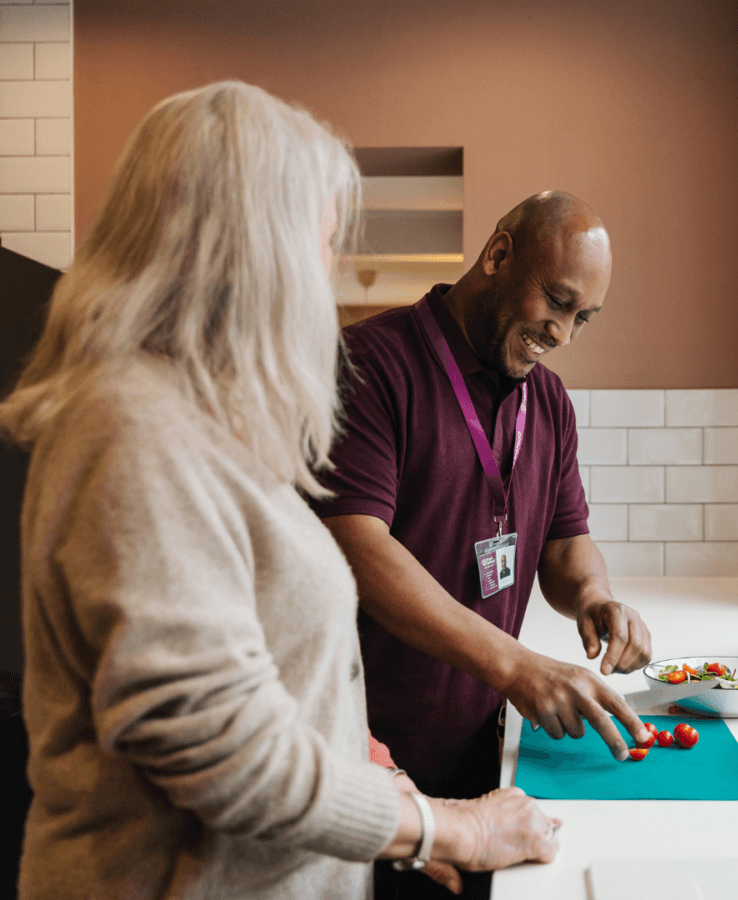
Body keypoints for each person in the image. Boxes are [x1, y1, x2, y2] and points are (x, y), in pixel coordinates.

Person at [0, 81, 559, 900]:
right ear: (251, 245)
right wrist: (452, 827)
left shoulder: (191, 419)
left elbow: (269, 656)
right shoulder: (130, 428)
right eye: (322, 241)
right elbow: (223, 749)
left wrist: (376, 781)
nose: (325, 274)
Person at [315, 192, 654, 895]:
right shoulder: (369, 365)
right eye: (556, 302)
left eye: (582, 318)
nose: (561, 333)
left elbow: (567, 545)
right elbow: (355, 546)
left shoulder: (549, 401)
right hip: (362, 761)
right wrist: (517, 666)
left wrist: (595, 596)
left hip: (483, 751)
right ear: (498, 255)